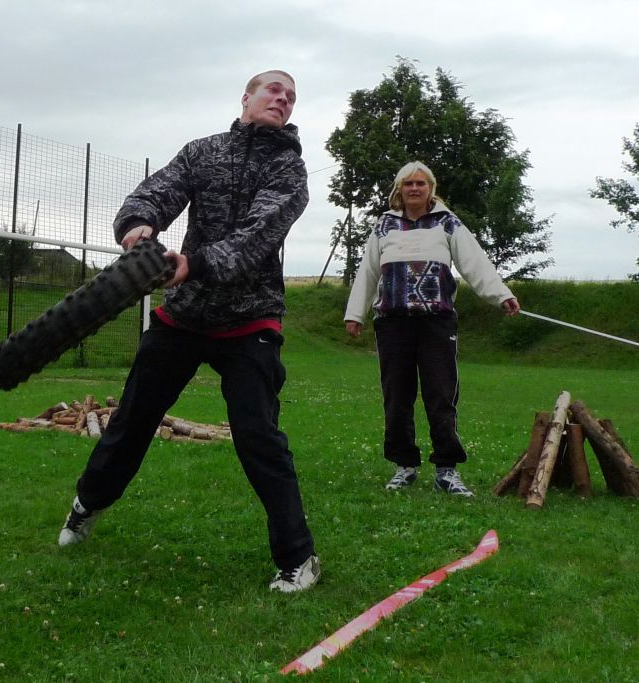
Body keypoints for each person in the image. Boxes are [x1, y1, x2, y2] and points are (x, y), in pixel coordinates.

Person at [57, 70, 319, 593]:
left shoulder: (289, 168)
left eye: (291, 97)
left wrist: (191, 264)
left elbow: (257, 236)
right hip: (185, 315)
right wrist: (138, 223)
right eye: (274, 90)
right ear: (246, 97)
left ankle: (299, 558)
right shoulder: (204, 151)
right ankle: (86, 504)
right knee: (133, 419)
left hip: (250, 318)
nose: (283, 100)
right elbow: (159, 190)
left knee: (258, 435)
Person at [344, 161, 520, 497]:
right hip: (393, 323)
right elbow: (367, 271)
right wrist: (356, 314)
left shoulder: (447, 223)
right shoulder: (384, 225)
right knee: (397, 395)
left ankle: (446, 470)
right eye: (408, 183)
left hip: (436, 322)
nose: (414, 188)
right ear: (399, 189)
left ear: (430, 189)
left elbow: (475, 262)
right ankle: (404, 465)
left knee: (441, 393)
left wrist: (502, 295)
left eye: (421, 183)